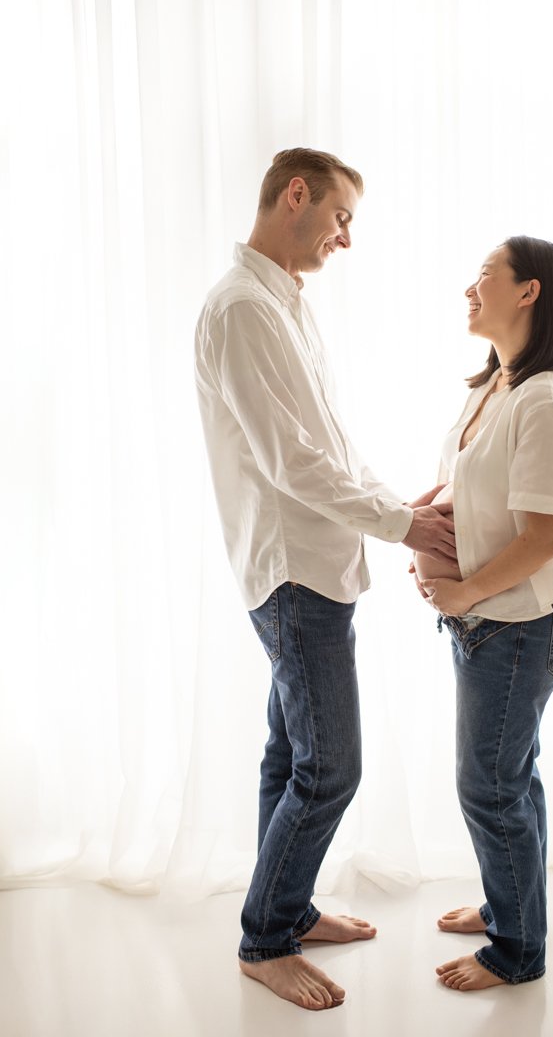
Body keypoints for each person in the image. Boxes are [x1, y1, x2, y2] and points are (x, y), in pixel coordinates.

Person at [194, 148, 455, 1011]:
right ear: (295, 196)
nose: (346, 239)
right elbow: (291, 462)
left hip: (318, 566)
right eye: (341, 217)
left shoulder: (285, 304)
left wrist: (390, 505)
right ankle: (264, 939)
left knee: (290, 753)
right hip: (292, 571)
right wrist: (403, 523)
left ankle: (289, 907)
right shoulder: (241, 309)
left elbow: (327, 445)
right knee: (329, 769)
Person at [412, 235, 553, 991]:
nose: (468, 289)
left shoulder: (546, 399)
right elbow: (470, 487)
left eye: (485, 276)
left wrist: (463, 592)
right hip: (487, 624)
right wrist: (425, 512)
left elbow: (547, 535)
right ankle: (507, 904)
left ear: (529, 292)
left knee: (488, 785)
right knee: (512, 778)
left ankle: (517, 950)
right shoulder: (492, 388)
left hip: (519, 628)